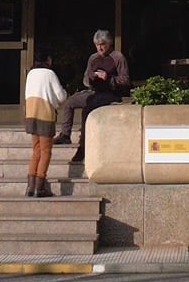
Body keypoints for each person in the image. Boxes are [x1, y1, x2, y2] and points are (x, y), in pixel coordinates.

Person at [52, 29, 129, 157]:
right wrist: (90, 78)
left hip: (111, 93)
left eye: (102, 44)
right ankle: (65, 134)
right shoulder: (93, 58)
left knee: (87, 108)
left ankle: (83, 147)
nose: (100, 47)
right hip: (94, 91)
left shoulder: (118, 57)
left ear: (109, 44)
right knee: (70, 102)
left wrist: (108, 78)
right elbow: (85, 79)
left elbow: (125, 80)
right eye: (97, 44)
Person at [22, 51, 67, 198]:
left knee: (36, 150)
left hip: (31, 113)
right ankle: (40, 187)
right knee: (46, 151)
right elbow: (60, 96)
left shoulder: (30, 74)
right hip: (45, 114)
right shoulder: (50, 74)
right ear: (48, 59)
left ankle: (30, 186)